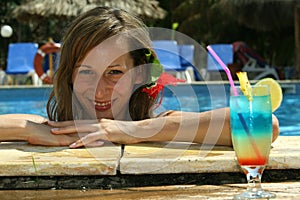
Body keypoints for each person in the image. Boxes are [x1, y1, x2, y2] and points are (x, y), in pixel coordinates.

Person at [0, 7, 280, 148]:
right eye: (86, 71)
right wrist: (30, 130)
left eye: (115, 72)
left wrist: (130, 131)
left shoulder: (159, 124)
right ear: (69, 76)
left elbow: (265, 125)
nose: (100, 89)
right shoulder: (57, 129)